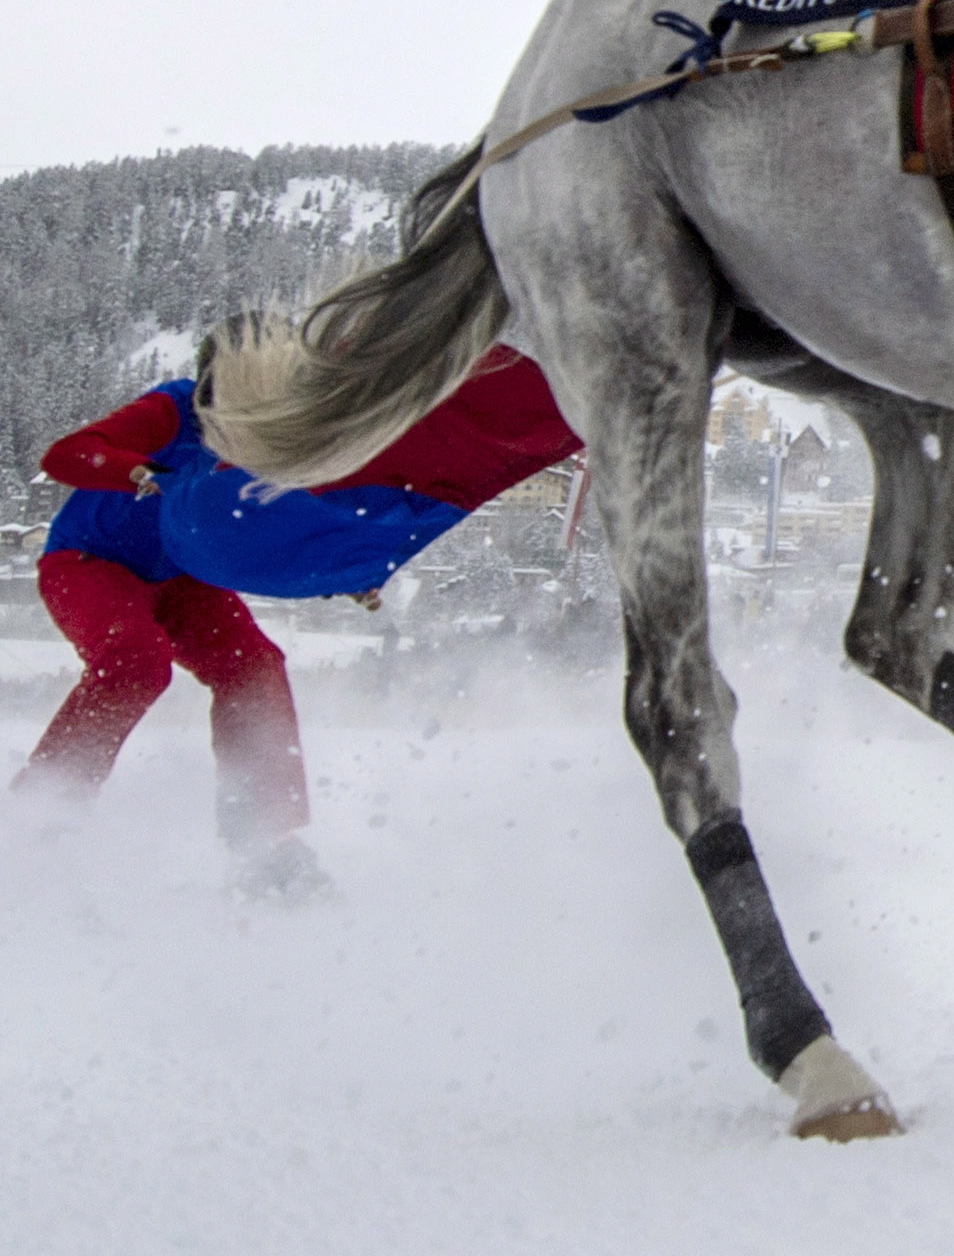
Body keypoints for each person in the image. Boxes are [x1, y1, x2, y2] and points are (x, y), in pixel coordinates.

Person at [17, 346, 574, 894]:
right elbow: (66, 454)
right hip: (89, 562)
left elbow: (292, 525)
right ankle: (45, 816)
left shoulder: (279, 431)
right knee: (137, 663)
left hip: (183, 581)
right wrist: (140, 472)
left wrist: (343, 573)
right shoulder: (172, 408)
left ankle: (264, 844)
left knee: (255, 666)